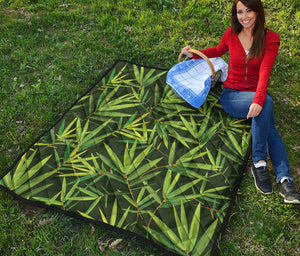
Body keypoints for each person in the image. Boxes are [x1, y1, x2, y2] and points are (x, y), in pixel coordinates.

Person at [181, 0, 300, 204]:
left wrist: (258, 99)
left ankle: (282, 177)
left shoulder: (271, 39)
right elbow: (218, 50)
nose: (244, 16)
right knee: (267, 107)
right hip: (232, 95)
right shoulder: (231, 34)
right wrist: (194, 55)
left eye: (249, 11)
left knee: (267, 116)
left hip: (255, 93)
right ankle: (265, 166)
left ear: (258, 12)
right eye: (240, 12)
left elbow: (265, 72)